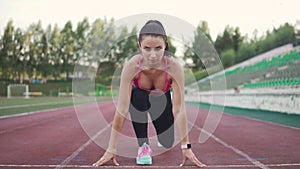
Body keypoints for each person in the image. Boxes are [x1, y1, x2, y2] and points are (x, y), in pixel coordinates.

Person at [93, 20, 206, 167]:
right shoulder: (132, 66)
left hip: (162, 100)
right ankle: (144, 147)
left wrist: (186, 146)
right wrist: (111, 148)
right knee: (137, 94)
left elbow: (178, 109)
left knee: (167, 142)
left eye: (158, 48)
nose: (153, 55)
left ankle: (163, 134)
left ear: (165, 45)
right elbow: (122, 109)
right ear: (139, 46)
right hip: (140, 99)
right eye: (147, 48)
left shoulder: (174, 67)